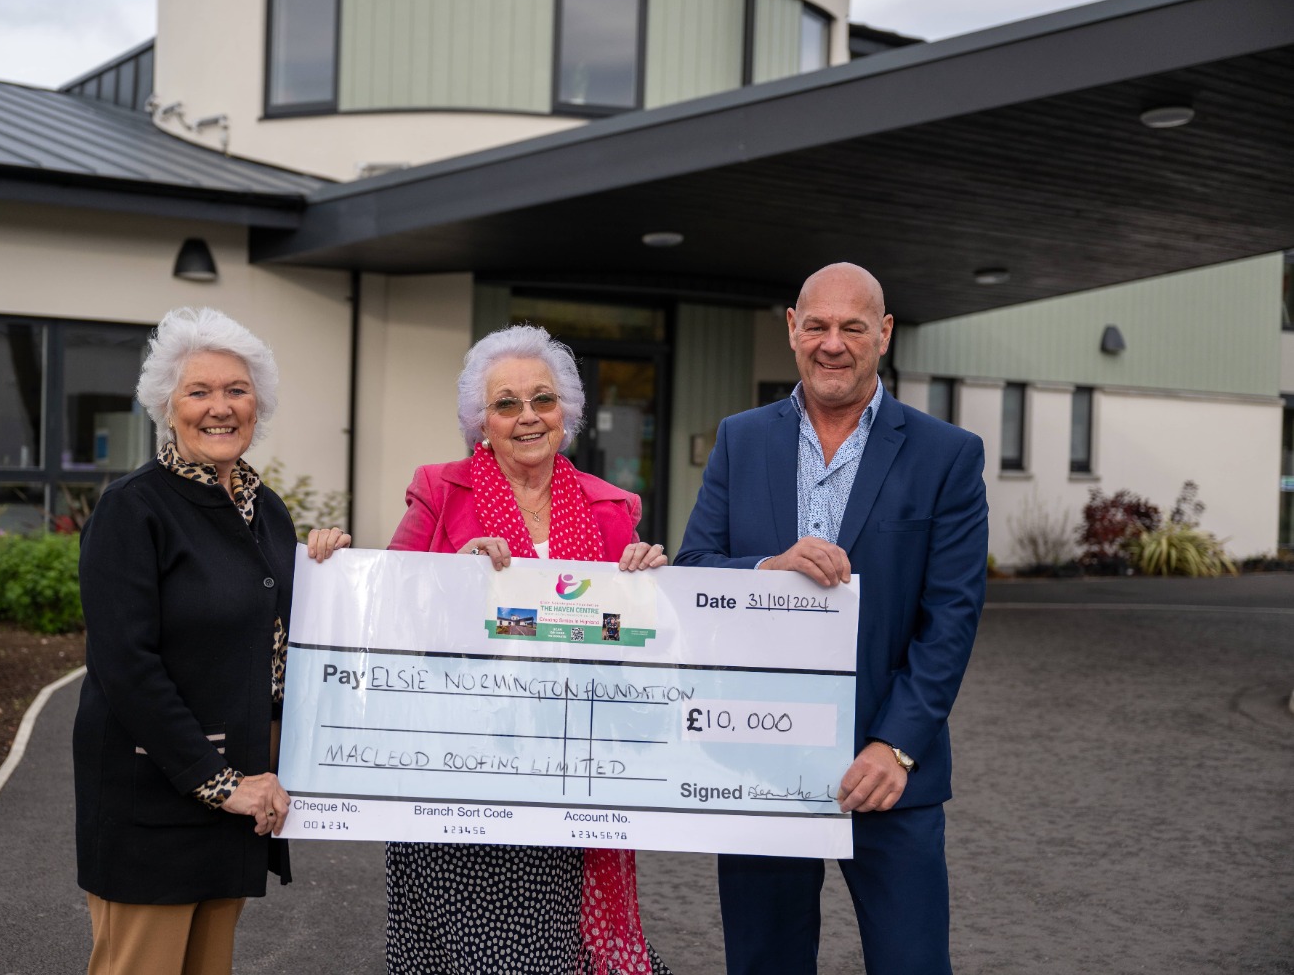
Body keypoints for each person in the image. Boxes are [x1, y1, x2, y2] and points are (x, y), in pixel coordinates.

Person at [676, 263, 988, 975]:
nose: (832, 343)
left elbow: (951, 618)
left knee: (911, 963)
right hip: (762, 763)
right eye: (816, 324)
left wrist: (896, 747)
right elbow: (694, 568)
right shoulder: (740, 438)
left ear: (884, 334)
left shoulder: (947, 456)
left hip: (887, 775)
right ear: (791, 328)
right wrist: (764, 570)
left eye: (852, 326)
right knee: (765, 963)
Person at [386, 324, 672, 975]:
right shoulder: (439, 489)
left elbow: (632, 644)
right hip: (458, 770)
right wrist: (453, 572)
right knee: (463, 956)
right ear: (479, 421)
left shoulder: (611, 507)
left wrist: (651, 587)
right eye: (506, 403)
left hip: (568, 776)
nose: (527, 417)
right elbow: (389, 609)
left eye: (541, 400)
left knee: (551, 952)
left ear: (566, 412)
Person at [73, 306, 350, 975]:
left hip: (240, 799)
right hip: (156, 797)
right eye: (199, 391)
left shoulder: (267, 510)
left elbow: (281, 640)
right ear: (167, 406)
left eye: (237, 390)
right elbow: (126, 666)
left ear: (258, 404)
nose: (219, 408)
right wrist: (218, 782)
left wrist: (329, 569)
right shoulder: (133, 507)